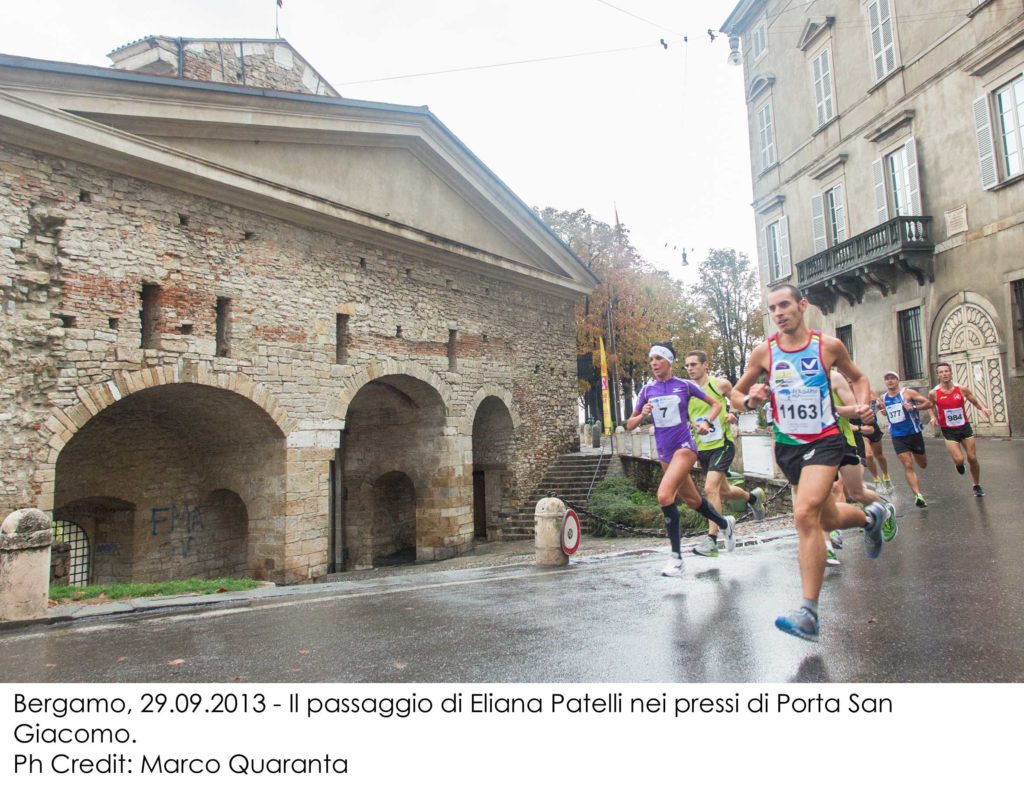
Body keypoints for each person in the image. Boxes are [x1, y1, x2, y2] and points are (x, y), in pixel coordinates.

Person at [730, 284, 890, 642]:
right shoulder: (764, 353)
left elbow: (860, 378)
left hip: (825, 441)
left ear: (802, 305)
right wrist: (751, 399)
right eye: (772, 308)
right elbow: (736, 397)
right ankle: (870, 516)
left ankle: (808, 613)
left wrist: (863, 403)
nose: (778, 313)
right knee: (827, 517)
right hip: (787, 447)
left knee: (803, 515)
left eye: (784, 305)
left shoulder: (827, 346)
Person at [627, 342, 736, 577]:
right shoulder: (647, 391)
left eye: (658, 358)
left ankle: (676, 560)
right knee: (693, 500)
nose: (654, 363)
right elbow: (629, 424)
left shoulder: (684, 386)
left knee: (665, 495)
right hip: (665, 452)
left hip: (685, 447)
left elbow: (716, 404)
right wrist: (642, 415)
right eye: (651, 360)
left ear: (669, 361)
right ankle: (725, 524)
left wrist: (706, 421)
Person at [683, 350, 766, 557]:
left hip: (723, 444)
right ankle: (752, 498)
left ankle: (712, 538)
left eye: (694, 364)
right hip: (702, 448)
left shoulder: (720, 384)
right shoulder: (686, 391)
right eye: (687, 366)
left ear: (705, 365)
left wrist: (733, 414)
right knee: (724, 492)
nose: (690, 369)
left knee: (710, 488)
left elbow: (737, 401)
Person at [929, 362, 992, 496]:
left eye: (946, 371)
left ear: (950, 373)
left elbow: (973, 400)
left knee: (972, 458)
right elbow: (930, 405)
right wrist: (933, 417)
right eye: (941, 372)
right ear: (937, 375)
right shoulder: (934, 393)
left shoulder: (961, 389)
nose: (944, 374)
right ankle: (958, 465)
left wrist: (983, 408)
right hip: (948, 430)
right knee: (959, 460)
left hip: (964, 427)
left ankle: (976, 485)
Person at [880, 371, 932, 507]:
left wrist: (914, 407)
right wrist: (884, 412)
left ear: (898, 380)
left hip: (914, 434)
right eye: (887, 379)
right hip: (898, 436)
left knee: (923, 464)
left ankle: (917, 456)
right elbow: (886, 412)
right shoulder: (883, 398)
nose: (890, 381)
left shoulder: (908, 393)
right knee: (907, 465)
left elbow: (928, 403)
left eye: (892, 378)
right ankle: (918, 495)